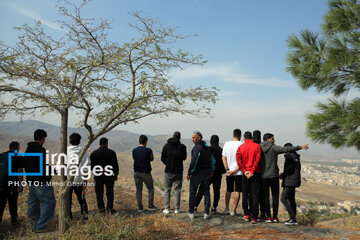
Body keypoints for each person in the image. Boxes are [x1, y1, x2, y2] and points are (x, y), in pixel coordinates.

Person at [260, 133, 308, 223]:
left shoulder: (259, 147)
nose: (274, 140)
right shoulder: (274, 147)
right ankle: (275, 216)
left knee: (265, 196)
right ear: (269, 139)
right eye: (273, 139)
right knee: (276, 197)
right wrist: (300, 147)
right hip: (274, 175)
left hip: (263, 176)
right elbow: (286, 149)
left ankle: (268, 217)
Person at [25, 129, 56, 232]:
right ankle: (40, 226)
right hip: (42, 181)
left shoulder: (27, 150)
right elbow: (43, 167)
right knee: (49, 202)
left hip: (31, 181)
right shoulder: (40, 150)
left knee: (33, 204)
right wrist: (53, 170)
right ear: (42, 138)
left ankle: (31, 227)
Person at [194, 135, 225, 214]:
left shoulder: (208, 149)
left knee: (201, 190)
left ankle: (195, 206)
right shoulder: (221, 150)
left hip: (208, 173)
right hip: (218, 174)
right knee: (216, 191)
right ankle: (214, 208)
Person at [187, 131, 215, 220]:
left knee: (192, 192)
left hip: (197, 173)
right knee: (206, 192)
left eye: (194, 137)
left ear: (199, 138)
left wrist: (189, 172)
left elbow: (194, 161)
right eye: (192, 137)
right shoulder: (207, 148)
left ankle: (191, 211)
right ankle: (206, 213)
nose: (192, 139)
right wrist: (212, 170)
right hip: (207, 173)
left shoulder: (197, 148)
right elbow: (213, 160)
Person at [236, 131, 261, 224]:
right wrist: (252, 171)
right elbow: (257, 159)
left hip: (245, 174)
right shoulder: (257, 146)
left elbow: (238, 159)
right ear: (252, 138)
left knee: (245, 194)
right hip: (255, 174)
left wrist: (244, 170)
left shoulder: (240, 147)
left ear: (244, 138)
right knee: (255, 195)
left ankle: (246, 214)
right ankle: (254, 217)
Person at [90, 137, 119, 214]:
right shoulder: (112, 153)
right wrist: (115, 175)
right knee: (110, 192)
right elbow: (115, 165)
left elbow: (91, 166)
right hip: (108, 175)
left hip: (98, 175)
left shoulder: (94, 153)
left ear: (99, 144)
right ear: (106, 143)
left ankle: (101, 209)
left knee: (99, 193)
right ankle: (109, 209)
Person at [161, 131, 187, 214]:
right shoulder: (182, 147)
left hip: (168, 170)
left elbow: (162, 158)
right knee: (177, 190)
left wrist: (168, 163)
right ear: (179, 138)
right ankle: (176, 209)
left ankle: (167, 208)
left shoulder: (166, 146)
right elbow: (184, 157)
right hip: (179, 171)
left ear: (172, 136)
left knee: (167, 189)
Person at [66, 133, 90, 220]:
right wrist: (85, 182)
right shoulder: (83, 152)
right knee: (82, 200)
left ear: (69, 141)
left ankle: (68, 218)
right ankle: (85, 218)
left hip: (67, 181)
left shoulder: (65, 151)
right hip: (79, 180)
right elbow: (86, 168)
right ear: (79, 142)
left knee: (67, 201)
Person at [132, 135, 158, 213]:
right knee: (150, 189)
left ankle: (140, 207)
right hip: (145, 172)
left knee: (139, 190)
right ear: (146, 142)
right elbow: (152, 158)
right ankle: (150, 206)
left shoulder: (134, 150)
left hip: (136, 172)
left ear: (139, 141)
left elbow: (134, 158)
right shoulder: (148, 150)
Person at [0, 142, 23, 226]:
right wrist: (20, 184)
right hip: (12, 184)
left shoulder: (2, 155)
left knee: (1, 203)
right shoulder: (18, 156)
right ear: (17, 148)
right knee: (13, 203)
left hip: (1, 184)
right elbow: (19, 171)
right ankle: (14, 221)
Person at [222, 129, 243, 215]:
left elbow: (223, 157)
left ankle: (226, 208)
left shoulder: (227, 144)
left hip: (229, 172)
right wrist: (235, 170)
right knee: (237, 190)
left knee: (228, 190)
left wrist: (227, 169)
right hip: (239, 172)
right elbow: (242, 160)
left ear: (233, 134)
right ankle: (233, 210)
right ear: (240, 135)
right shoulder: (242, 144)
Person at [280, 143, 301, 225]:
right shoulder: (295, 156)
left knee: (283, 199)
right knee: (291, 200)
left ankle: (292, 217)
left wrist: (283, 175)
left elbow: (290, 169)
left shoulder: (290, 157)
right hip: (294, 180)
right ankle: (293, 218)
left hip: (289, 181)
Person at [253, 130, 266, 220]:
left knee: (253, 195)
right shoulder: (262, 146)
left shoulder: (252, 146)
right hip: (262, 173)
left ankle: (253, 213)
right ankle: (263, 214)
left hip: (252, 173)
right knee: (262, 195)